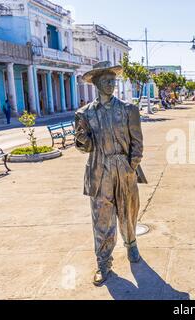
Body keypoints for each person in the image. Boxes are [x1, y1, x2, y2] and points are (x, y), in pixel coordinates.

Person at [75, 61, 147, 287]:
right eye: (106, 80)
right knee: (101, 219)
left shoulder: (128, 110)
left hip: (123, 168)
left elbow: (137, 142)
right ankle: (103, 263)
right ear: (96, 83)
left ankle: (131, 243)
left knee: (128, 211)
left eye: (112, 80)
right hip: (99, 170)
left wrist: (131, 166)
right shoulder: (84, 114)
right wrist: (81, 140)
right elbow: (84, 147)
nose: (111, 84)